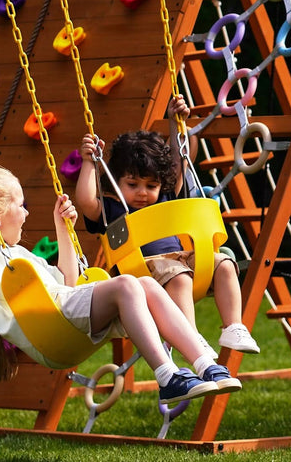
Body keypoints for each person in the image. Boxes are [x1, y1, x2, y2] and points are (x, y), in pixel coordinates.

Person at [0, 162, 240, 405]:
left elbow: (68, 283)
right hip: (50, 330)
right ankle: (167, 377)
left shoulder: (18, 255)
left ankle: (205, 364)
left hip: (64, 317)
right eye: (21, 205)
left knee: (146, 285)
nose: (27, 212)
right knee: (127, 285)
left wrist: (62, 228)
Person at [75, 97, 260, 357]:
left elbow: (179, 159)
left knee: (226, 263)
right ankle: (191, 338)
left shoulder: (165, 196)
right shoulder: (111, 207)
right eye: (133, 184)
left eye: (151, 186)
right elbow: (85, 200)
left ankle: (233, 326)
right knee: (179, 275)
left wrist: (176, 123)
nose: (142, 193)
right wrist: (87, 162)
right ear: (117, 181)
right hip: (143, 270)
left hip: (181, 260)